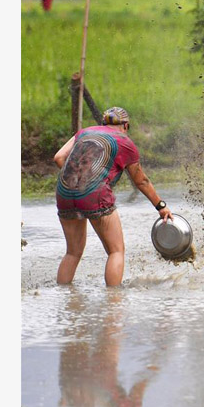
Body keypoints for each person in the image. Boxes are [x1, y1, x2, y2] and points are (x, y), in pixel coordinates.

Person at [54, 107, 172, 286]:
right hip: (95, 195)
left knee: (73, 252)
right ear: (126, 126)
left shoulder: (84, 132)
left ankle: (63, 296)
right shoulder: (125, 142)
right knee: (116, 251)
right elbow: (141, 181)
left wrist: (77, 179)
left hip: (64, 192)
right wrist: (160, 206)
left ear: (103, 123)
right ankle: (113, 298)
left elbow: (58, 157)